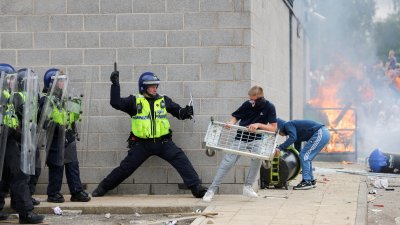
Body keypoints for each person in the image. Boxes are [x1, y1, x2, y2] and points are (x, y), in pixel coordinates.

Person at [91, 70, 207, 198]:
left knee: (181, 160)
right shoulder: (134, 101)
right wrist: (115, 85)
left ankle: (197, 188)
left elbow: (178, 112)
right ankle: (103, 187)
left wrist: (186, 112)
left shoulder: (164, 100)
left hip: (164, 143)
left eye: (156, 85)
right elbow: (115, 103)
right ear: (143, 87)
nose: (155, 88)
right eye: (151, 86)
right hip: (142, 145)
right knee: (125, 168)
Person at [202, 86, 277, 202]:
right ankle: (211, 190)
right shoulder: (247, 104)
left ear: (259, 98)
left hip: (257, 139)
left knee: (256, 162)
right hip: (240, 138)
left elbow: (273, 128)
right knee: (227, 163)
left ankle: (248, 187)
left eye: (252, 100)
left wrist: (258, 125)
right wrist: (230, 123)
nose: (250, 101)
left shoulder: (269, 107)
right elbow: (236, 116)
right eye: (250, 99)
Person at [0, 64, 45, 224]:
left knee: (5, 175)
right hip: (4, 138)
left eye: (14, 78)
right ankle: (26, 213)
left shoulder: (10, 96)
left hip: (10, 138)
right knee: (19, 174)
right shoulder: (3, 96)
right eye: (10, 78)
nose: (13, 81)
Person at [39, 68, 90, 203]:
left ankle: (76, 191)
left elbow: (73, 117)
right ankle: (53, 193)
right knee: (57, 165)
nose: (62, 83)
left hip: (68, 135)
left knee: (73, 164)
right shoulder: (46, 100)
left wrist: (76, 106)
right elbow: (46, 120)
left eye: (63, 80)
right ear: (51, 83)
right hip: (55, 137)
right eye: (59, 81)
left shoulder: (64, 98)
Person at [276, 118, 331, 190]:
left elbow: (292, 138)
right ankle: (311, 180)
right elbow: (297, 149)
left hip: (321, 132)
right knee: (306, 156)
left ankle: (306, 181)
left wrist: (280, 148)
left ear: (279, 127)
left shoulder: (288, 124)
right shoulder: (294, 131)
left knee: (305, 156)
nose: (278, 134)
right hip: (323, 133)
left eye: (277, 131)